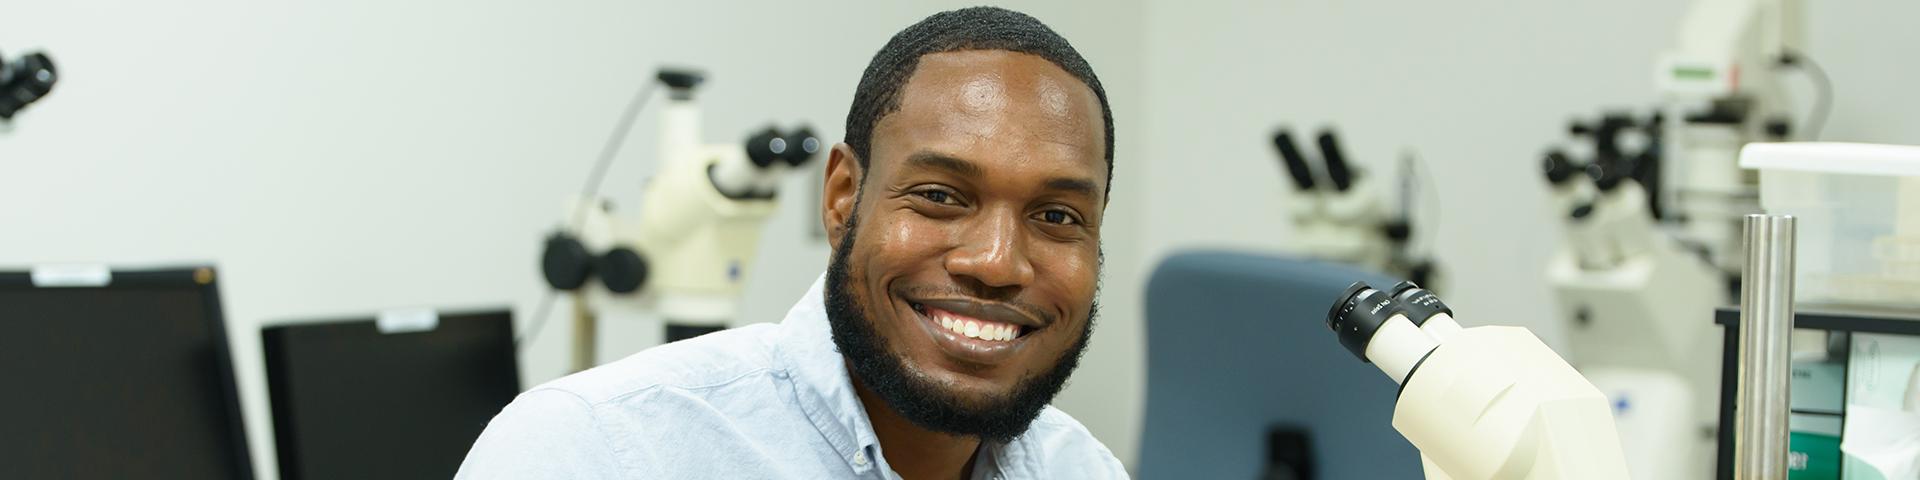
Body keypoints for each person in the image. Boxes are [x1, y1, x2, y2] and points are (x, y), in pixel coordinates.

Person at [457, 6, 1124, 479]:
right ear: (840, 199)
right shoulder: (593, 453)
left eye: (1058, 216)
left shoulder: (1081, 469)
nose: (997, 262)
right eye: (942, 197)